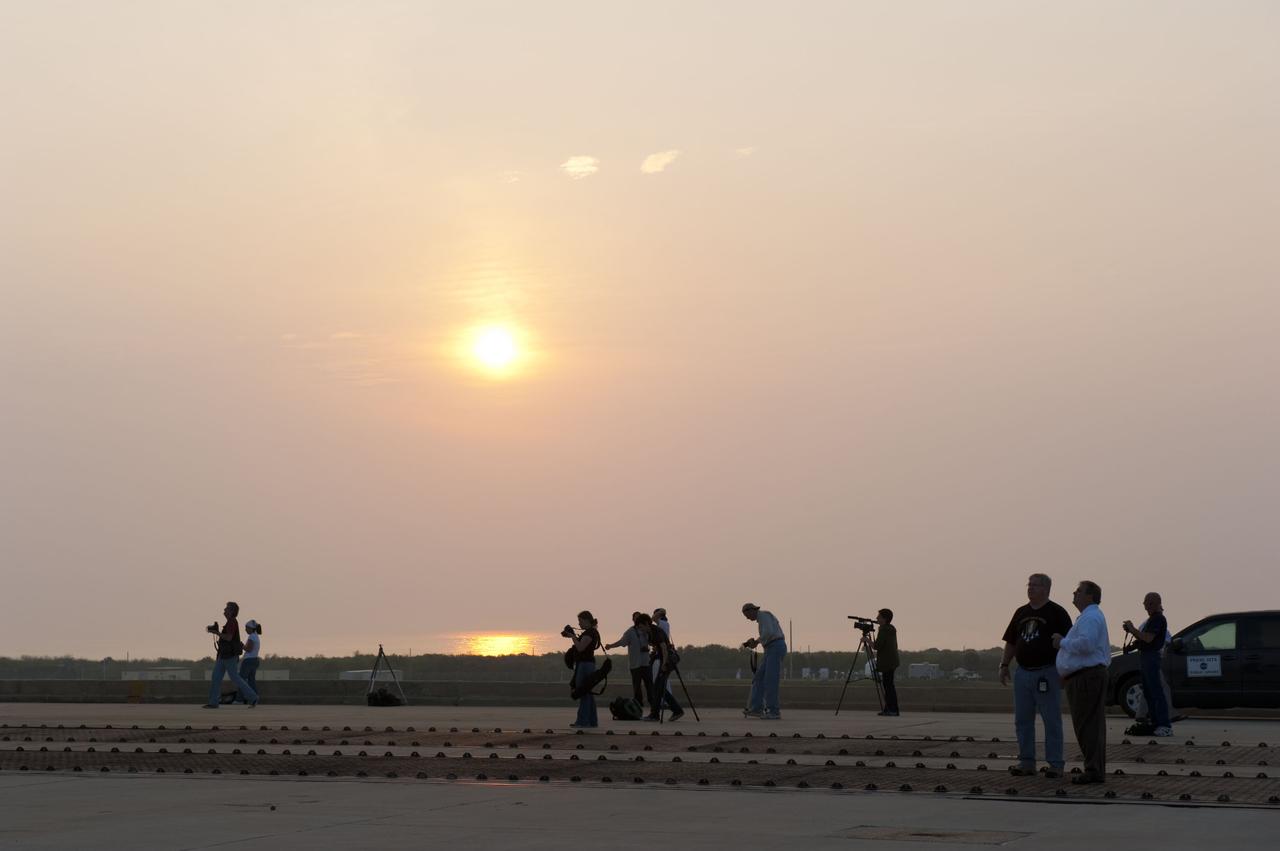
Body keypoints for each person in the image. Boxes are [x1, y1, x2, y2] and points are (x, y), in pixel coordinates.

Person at [999, 574, 1073, 778]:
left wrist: (1064, 672)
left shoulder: (1057, 613)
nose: (1030, 588)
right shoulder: (1021, 612)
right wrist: (1005, 664)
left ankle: (1056, 764)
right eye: (1029, 585)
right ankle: (1027, 762)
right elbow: (1012, 641)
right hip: (1023, 673)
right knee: (1022, 720)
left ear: (1046, 589)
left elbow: (1069, 645)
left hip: (1048, 673)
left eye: (1035, 585)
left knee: (1052, 720)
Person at [1053, 580, 1111, 784]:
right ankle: (1095, 768)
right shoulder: (1089, 616)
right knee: (1090, 725)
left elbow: (1086, 645)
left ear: (1089, 596)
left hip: (1087, 678)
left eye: (1078, 591)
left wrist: (1062, 642)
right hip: (1085, 676)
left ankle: (1093, 770)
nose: (1074, 593)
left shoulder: (1091, 617)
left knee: (1087, 725)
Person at [1123, 593, 1171, 736]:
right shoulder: (1152, 620)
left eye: (1147, 603)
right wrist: (1131, 646)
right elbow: (1143, 640)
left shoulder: (1158, 619)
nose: (1145, 606)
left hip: (1152, 658)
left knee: (1156, 692)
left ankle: (1165, 725)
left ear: (1153, 603)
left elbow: (1148, 639)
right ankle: (1155, 723)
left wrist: (1132, 629)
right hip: (1146, 657)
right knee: (1149, 692)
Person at [204, 602, 257, 709]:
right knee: (216, 677)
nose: (224, 610)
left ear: (231, 611)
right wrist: (217, 633)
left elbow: (228, 637)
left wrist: (217, 633)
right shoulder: (229, 622)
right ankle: (213, 702)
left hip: (229, 656)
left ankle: (253, 697)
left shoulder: (232, 622)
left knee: (235, 678)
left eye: (226, 608)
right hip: (224, 655)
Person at [741, 602, 786, 720]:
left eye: (747, 615)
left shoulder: (764, 616)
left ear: (751, 610)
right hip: (770, 648)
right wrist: (758, 641)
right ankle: (756, 708)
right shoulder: (762, 619)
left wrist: (756, 641)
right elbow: (767, 634)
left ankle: (774, 711)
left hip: (775, 647)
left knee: (770, 680)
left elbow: (769, 633)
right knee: (758, 678)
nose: (747, 618)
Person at [606, 612, 655, 711]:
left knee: (650, 686)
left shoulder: (647, 630)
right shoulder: (630, 632)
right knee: (637, 687)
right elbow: (621, 642)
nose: (638, 622)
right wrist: (610, 646)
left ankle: (653, 705)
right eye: (636, 619)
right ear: (633, 620)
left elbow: (654, 642)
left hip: (646, 663)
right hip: (635, 664)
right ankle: (638, 706)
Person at [645, 617, 684, 722]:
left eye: (641, 627)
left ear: (645, 624)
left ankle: (656, 714)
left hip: (667, 660)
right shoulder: (652, 632)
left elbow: (664, 648)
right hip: (665, 659)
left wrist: (664, 663)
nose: (641, 629)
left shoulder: (656, 631)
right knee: (658, 687)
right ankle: (674, 710)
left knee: (658, 687)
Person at [568, 611, 602, 728]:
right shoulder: (592, 632)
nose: (579, 624)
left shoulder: (590, 633)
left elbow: (581, 648)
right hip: (587, 664)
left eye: (580, 621)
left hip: (585, 664)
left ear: (587, 620)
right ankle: (592, 721)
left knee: (583, 692)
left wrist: (572, 637)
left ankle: (583, 721)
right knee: (588, 692)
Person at [873, 609, 900, 716]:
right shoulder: (890, 629)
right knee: (889, 686)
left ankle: (892, 709)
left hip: (887, 662)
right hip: (892, 662)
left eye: (879, 617)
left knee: (888, 686)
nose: (876, 618)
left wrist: (866, 640)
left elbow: (877, 646)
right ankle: (889, 708)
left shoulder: (884, 630)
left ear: (884, 619)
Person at [233, 620, 262, 704]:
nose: (245, 630)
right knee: (251, 681)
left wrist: (241, 645)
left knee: (241, 680)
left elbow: (248, 649)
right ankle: (255, 697)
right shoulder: (256, 636)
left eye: (246, 628)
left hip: (248, 661)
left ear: (251, 628)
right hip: (255, 660)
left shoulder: (251, 637)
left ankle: (239, 699)